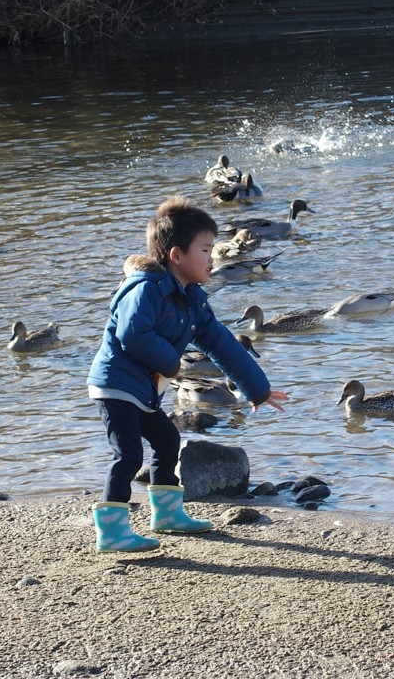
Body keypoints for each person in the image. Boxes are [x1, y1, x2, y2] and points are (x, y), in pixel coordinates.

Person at [87, 196, 288, 552]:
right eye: (206, 250)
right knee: (129, 455)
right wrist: (172, 364)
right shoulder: (145, 289)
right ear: (176, 256)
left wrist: (257, 389)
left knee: (166, 441)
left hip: (144, 391)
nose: (213, 258)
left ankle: (166, 514)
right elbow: (132, 334)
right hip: (115, 385)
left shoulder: (192, 298)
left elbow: (220, 342)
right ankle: (113, 531)